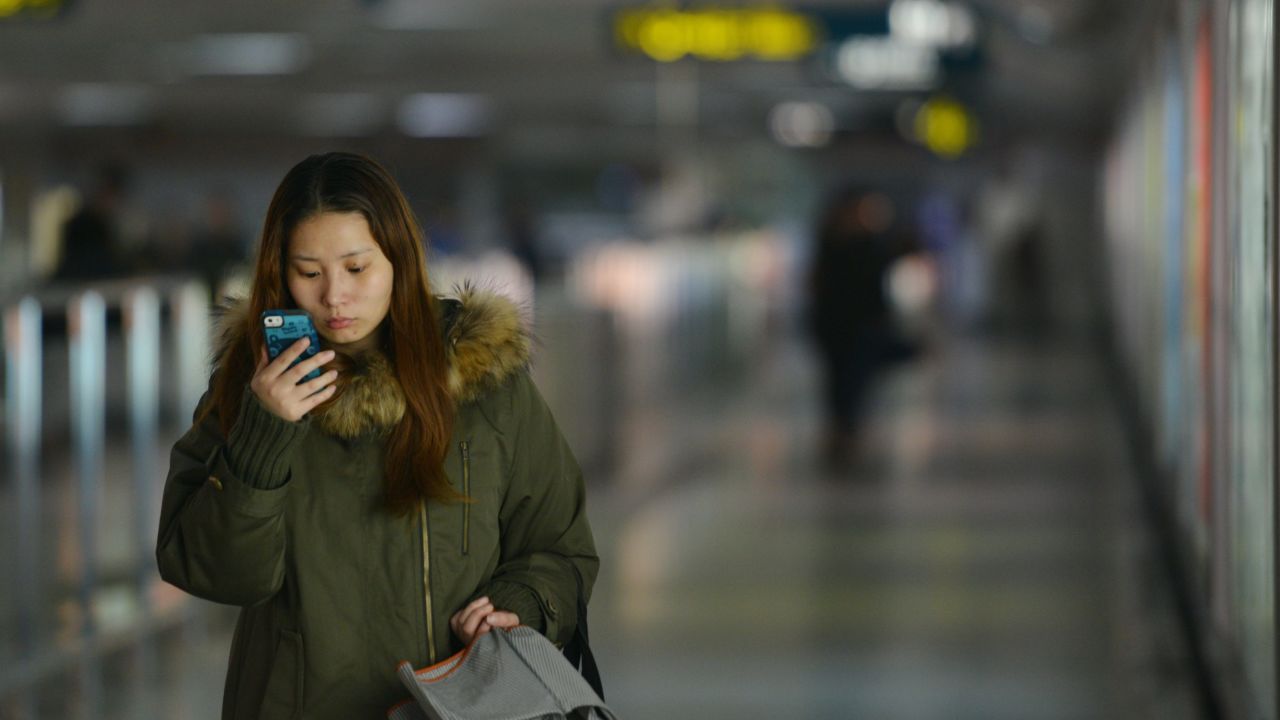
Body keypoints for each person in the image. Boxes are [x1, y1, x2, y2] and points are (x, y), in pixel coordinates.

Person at [155, 152, 599, 719]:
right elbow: (214, 571)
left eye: (357, 268)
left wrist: (520, 603)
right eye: (309, 272)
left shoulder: (481, 379)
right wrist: (264, 435)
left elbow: (561, 547)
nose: (334, 296)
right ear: (279, 272)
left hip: (459, 704)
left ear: (399, 260)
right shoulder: (249, 389)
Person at [807, 187, 895, 469]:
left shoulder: (869, 244)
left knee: (856, 379)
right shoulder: (833, 244)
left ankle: (848, 428)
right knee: (840, 379)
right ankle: (842, 428)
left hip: (860, 324)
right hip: (837, 323)